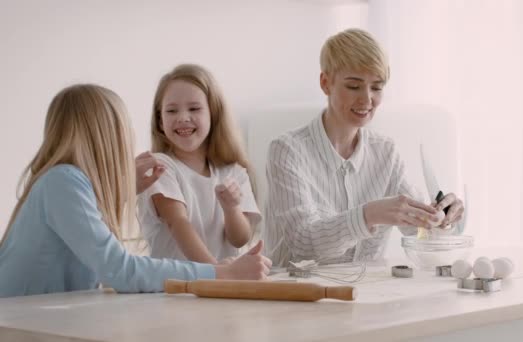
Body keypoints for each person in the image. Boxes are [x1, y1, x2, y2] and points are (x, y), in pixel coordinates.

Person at [0, 84, 270, 298]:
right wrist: (221, 273)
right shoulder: (63, 182)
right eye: (126, 125)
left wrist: (124, 191)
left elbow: (101, 260)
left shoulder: (63, 183)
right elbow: (119, 270)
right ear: (109, 135)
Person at [263, 29, 464, 266]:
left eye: (376, 87)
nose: (367, 99)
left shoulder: (386, 153)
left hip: (368, 294)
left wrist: (443, 219)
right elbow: (304, 243)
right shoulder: (287, 151)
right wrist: (368, 214)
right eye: (354, 86)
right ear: (325, 83)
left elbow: (421, 236)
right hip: (298, 295)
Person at [137, 64, 260, 264]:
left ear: (213, 113)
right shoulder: (160, 167)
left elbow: (240, 239)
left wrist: (231, 209)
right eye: (171, 111)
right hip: (175, 288)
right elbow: (178, 223)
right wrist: (217, 272)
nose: (183, 118)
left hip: (220, 287)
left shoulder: (233, 171)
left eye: (194, 108)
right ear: (160, 121)